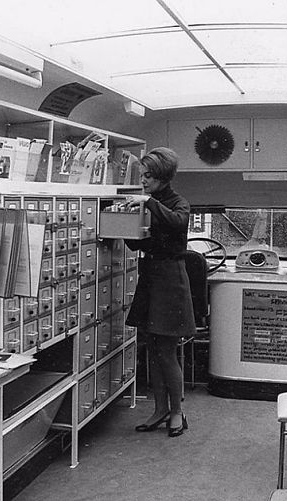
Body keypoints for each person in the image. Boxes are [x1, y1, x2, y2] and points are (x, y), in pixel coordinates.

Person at [122, 147, 195, 438]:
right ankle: (160, 409)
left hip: (170, 280)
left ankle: (177, 411)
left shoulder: (178, 203)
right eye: (142, 175)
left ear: (162, 177)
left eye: (148, 176)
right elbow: (138, 245)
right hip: (150, 277)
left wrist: (149, 202)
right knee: (153, 349)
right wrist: (122, 226)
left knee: (167, 351)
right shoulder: (147, 202)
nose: (143, 180)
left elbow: (178, 222)